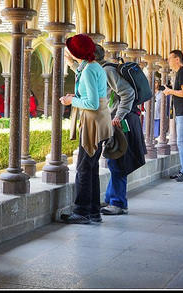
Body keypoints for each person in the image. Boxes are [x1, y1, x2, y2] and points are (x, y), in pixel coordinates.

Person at [59, 35, 111, 224]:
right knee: (91, 167)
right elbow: (93, 95)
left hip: (92, 124)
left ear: (77, 52)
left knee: (83, 168)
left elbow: (92, 102)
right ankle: (93, 212)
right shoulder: (95, 66)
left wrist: (71, 100)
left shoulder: (89, 70)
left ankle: (81, 212)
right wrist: (77, 95)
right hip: (99, 121)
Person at [101, 48, 145, 215]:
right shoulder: (106, 69)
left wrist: (118, 115)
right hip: (125, 118)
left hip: (122, 120)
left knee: (117, 161)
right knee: (114, 161)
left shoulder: (106, 70)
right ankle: (110, 198)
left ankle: (118, 203)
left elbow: (128, 93)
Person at [163, 49, 183, 182]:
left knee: (182, 142)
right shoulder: (181, 73)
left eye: (170, 58)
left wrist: (170, 91)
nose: (168, 61)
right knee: (181, 142)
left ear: (177, 59)